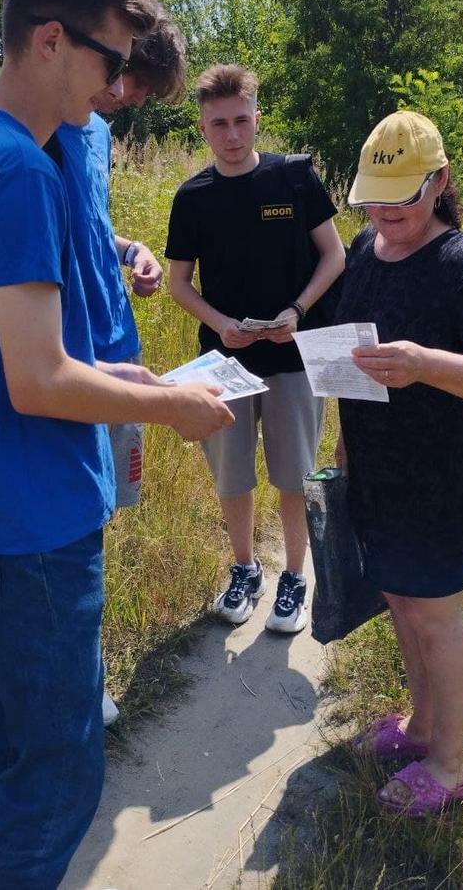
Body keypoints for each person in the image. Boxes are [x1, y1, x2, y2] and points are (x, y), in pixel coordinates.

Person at [0, 0, 233, 889]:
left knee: (8, 740)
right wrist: (177, 405)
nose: (114, 86)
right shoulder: (17, 170)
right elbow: (39, 382)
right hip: (37, 518)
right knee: (60, 773)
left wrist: (136, 383)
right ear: (50, 40)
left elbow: (38, 357)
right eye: (108, 59)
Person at [334, 110, 463, 817]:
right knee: (402, 605)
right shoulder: (362, 248)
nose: (385, 212)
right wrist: (346, 444)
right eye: (373, 197)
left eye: (403, 196)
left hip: (445, 476)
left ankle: (448, 765)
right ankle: (417, 727)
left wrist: (421, 363)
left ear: (439, 181)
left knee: (437, 618)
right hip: (379, 468)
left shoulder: (461, 268)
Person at [166, 64, 345, 632]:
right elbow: (178, 283)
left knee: (293, 475)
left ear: (257, 118)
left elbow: (334, 256)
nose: (233, 134)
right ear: (202, 128)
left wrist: (297, 310)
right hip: (225, 362)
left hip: (294, 356)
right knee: (232, 475)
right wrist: (221, 324)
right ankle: (244, 569)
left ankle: (295, 576)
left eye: (242, 120)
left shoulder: (293, 179)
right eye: (219, 124)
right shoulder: (192, 197)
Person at [55, 0, 187, 725]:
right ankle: (72, 686)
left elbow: (88, 231)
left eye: (137, 95)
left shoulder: (97, 135)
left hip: (117, 350)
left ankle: (85, 669)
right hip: (69, 365)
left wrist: (129, 250)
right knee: (68, 527)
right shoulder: (40, 132)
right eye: (123, 79)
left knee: (100, 517)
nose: (122, 98)